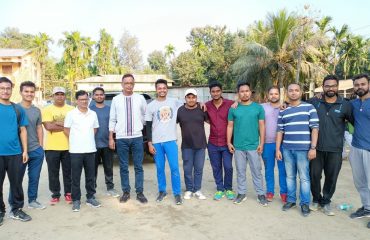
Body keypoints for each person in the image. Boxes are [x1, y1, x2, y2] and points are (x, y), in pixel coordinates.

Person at [306, 75, 353, 216]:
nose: (330, 88)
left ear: (337, 87)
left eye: (333, 86)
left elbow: (354, 122)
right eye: (327, 86)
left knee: (331, 177)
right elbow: (298, 105)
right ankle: (316, 199)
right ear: (323, 87)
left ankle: (326, 201)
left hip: (335, 149)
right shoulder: (314, 102)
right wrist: (285, 104)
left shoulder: (345, 104)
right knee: (314, 175)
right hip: (316, 148)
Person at [276, 83, 319, 217]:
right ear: (287, 93)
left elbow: (315, 129)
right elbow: (279, 131)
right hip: (287, 149)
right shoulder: (283, 110)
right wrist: (278, 149)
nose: (293, 93)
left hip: (303, 149)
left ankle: (305, 203)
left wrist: (313, 148)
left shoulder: (309, 107)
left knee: (304, 178)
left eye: (296, 90)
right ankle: (291, 200)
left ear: (301, 92)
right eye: (291, 90)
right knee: (290, 176)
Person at [227, 82, 268, 206]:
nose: (245, 93)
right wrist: (229, 142)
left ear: (250, 92)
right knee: (240, 171)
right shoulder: (233, 108)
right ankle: (241, 193)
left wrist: (262, 143)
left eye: (247, 91)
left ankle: (261, 194)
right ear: (238, 93)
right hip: (238, 146)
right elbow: (230, 126)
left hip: (254, 146)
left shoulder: (258, 108)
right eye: (242, 91)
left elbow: (262, 125)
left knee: (257, 171)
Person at [109, 74, 148, 204]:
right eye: (126, 83)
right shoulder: (116, 99)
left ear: (134, 84)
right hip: (121, 138)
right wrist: (111, 138)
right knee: (123, 167)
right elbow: (112, 119)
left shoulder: (140, 98)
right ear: (122, 84)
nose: (129, 85)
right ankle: (126, 191)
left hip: (137, 137)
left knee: (138, 166)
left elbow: (145, 114)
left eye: (131, 83)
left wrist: (140, 126)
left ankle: (139, 192)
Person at [8, 81, 46, 211]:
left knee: (34, 178)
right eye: (26, 91)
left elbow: (39, 128)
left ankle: (32, 200)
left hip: (36, 150)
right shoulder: (14, 109)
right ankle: (14, 205)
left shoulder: (36, 110)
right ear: (20, 92)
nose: (29, 94)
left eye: (31, 92)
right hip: (18, 152)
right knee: (16, 180)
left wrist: (41, 147)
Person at [145, 79, 183, 205]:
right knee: (160, 168)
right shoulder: (150, 106)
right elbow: (148, 126)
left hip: (171, 141)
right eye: (159, 88)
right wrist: (150, 143)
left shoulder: (174, 102)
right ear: (156, 89)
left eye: (164, 88)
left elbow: (189, 104)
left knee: (174, 168)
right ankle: (162, 191)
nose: (162, 90)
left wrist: (201, 104)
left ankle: (177, 193)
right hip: (156, 142)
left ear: (167, 89)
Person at [0, 77, 31, 224]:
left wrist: (25, 151)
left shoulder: (17, 109)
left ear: (12, 90)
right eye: (2, 88)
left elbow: (23, 130)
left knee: (16, 184)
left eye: (8, 88)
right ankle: (0, 211)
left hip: (15, 153)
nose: (5, 91)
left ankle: (17, 209)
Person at [64, 90, 100, 212]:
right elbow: (66, 130)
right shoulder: (71, 114)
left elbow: (95, 129)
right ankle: (76, 200)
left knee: (91, 176)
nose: (84, 101)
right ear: (77, 101)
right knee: (75, 176)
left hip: (90, 149)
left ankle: (90, 197)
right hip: (75, 151)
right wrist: (77, 140)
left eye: (86, 99)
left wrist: (86, 139)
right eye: (81, 99)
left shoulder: (93, 114)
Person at [42, 87, 74, 205]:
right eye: (57, 94)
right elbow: (48, 127)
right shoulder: (47, 109)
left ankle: (68, 193)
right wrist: (65, 125)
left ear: (65, 96)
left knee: (68, 172)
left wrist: (56, 123)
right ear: (53, 96)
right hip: (51, 147)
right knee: (53, 172)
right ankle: (55, 194)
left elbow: (74, 127)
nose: (60, 96)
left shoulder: (71, 109)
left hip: (69, 147)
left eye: (62, 94)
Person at [205, 81, 235, 201]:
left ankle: (228, 188)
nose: (216, 93)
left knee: (228, 167)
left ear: (221, 91)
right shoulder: (207, 105)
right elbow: (205, 118)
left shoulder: (230, 104)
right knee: (216, 167)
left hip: (227, 142)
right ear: (210, 92)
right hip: (212, 142)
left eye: (218, 91)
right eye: (213, 91)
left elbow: (242, 105)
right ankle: (219, 189)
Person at [177, 89, 208, 200]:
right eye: (189, 97)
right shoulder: (180, 110)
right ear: (185, 98)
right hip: (187, 145)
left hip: (200, 145)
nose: (191, 99)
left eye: (193, 97)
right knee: (187, 169)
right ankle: (189, 189)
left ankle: (197, 190)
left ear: (196, 98)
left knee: (199, 169)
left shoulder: (202, 109)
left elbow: (210, 121)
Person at [348, 74, 370, 228]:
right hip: (356, 147)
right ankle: (367, 207)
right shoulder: (353, 104)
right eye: (357, 85)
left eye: (363, 84)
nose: (360, 87)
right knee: (360, 181)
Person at [90, 87, 119, 197]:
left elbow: (114, 125)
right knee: (92, 169)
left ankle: (110, 188)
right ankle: (92, 190)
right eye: (96, 95)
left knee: (108, 167)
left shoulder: (110, 109)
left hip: (107, 143)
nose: (99, 96)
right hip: (93, 144)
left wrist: (112, 139)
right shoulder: (89, 109)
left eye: (101, 94)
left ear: (104, 95)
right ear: (93, 96)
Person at [261, 86, 287, 203]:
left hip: (282, 144)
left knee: (283, 170)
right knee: (269, 169)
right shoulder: (262, 107)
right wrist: (236, 102)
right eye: (271, 94)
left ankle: (284, 193)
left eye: (276, 94)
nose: (273, 96)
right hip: (267, 144)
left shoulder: (285, 108)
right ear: (268, 95)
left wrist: (286, 104)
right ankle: (270, 192)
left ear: (279, 95)